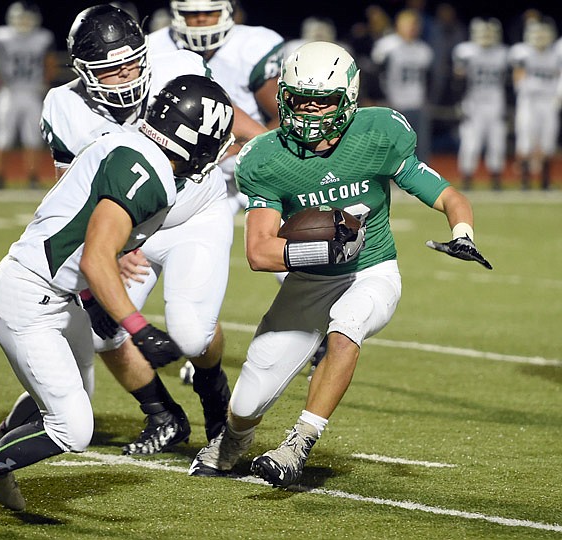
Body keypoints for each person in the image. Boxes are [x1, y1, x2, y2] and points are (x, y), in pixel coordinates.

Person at [0, 74, 235, 535]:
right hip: (29, 294)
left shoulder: (128, 142)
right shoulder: (148, 170)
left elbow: (78, 229)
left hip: (55, 290)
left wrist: (95, 301)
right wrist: (137, 327)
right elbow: (95, 255)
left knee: (71, 399)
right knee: (74, 428)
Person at [188, 41, 492, 488]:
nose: (310, 110)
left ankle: (299, 442)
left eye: (323, 100)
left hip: (372, 271)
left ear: (348, 98)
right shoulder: (267, 158)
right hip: (309, 280)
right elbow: (259, 252)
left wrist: (462, 232)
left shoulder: (377, 134)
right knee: (248, 402)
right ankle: (234, 439)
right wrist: (323, 251)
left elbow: (448, 195)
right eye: (299, 98)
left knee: (346, 326)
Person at [149, 0, 284, 215]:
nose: (201, 19)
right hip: (183, 165)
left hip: (246, 159)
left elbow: (285, 114)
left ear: (228, 11)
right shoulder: (156, 48)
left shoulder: (252, 46)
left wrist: (238, 148)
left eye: (209, 12)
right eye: (192, 14)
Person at [0, 1, 55, 189]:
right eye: (21, 18)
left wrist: (45, 82)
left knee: (33, 136)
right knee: (3, 136)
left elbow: (49, 63)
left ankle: (32, 176)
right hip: (9, 92)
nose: (24, 22)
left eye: (28, 19)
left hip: (32, 91)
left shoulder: (43, 37)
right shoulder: (1, 36)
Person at [452, 18, 509, 190]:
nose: (486, 37)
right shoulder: (465, 51)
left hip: (496, 104)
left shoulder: (503, 53)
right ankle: (467, 178)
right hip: (473, 104)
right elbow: (457, 82)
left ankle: (496, 179)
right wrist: (459, 102)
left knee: (497, 144)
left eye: (489, 33)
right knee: (470, 143)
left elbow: (509, 84)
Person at [371, 9, 434, 163]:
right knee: (390, 146)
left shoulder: (424, 50)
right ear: (398, 25)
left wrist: (428, 100)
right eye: (408, 24)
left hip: (417, 104)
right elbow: (375, 75)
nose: (412, 28)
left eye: (414, 24)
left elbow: (430, 79)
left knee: (420, 147)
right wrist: (379, 98)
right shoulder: (386, 46)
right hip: (393, 104)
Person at [508, 17, 562, 190]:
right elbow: (518, 80)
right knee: (525, 140)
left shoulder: (556, 53)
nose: (540, 39)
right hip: (529, 102)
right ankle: (525, 181)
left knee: (548, 141)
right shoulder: (523, 52)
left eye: (543, 35)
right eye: (537, 35)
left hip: (548, 102)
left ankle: (545, 181)